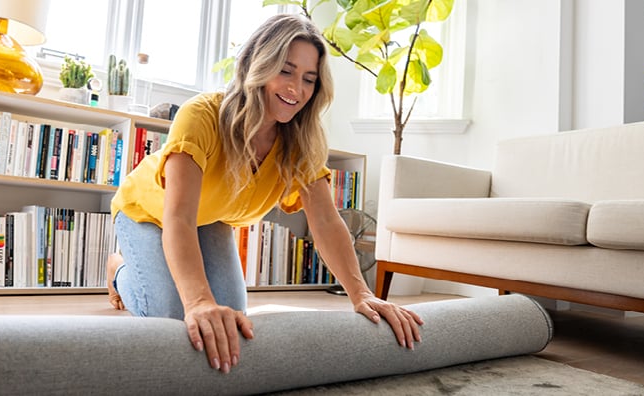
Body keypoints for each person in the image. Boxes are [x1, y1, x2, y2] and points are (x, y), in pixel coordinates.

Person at [106, 13, 423, 374]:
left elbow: (325, 220)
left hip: (211, 218)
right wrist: (197, 301)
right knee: (172, 315)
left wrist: (361, 293)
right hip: (149, 211)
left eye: (309, 79)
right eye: (285, 71)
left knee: (231, 318)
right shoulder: (201, 115)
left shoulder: (302, 140)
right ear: (258, 64)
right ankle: (119, 271)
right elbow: (178, 216)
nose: (296, 89)